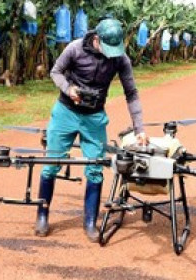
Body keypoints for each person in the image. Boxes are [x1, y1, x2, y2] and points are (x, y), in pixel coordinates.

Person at [35, 18, 147, 241]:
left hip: (94, 117)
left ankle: (89, 222)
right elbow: (56, 72)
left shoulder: (120, 59)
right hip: (66, 112)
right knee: (51, 165)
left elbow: (131, 93)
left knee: (95, 168)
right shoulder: (74, 48)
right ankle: (42, 215)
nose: (110, 53)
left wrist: (139, 128)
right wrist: (69, 89)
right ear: (96, 39)